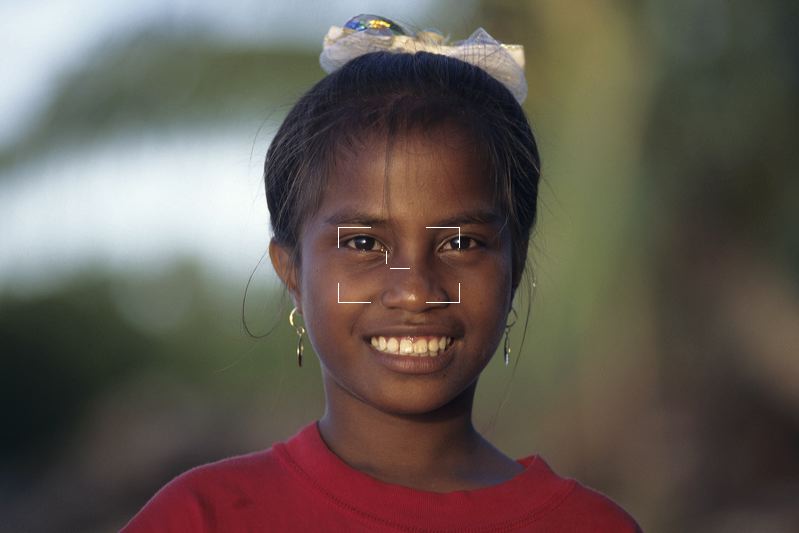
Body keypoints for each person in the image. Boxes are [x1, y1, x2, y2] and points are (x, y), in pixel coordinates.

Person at [123, 15, 642, 532]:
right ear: (293, 273)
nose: (415, 290)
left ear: (515, 266)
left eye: (461, 242)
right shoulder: (201, 517)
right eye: (365, 243)